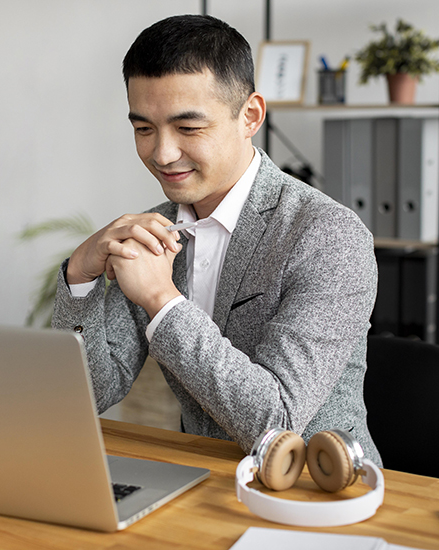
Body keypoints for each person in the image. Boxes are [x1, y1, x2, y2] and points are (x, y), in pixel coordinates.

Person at [52, 14, 381, 464]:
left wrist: (162, 301)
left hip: (317, 493)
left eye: (188, 128)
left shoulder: (329, 236)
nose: (162, 154)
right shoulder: (155, 230)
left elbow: (277, 423)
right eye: (143, 129)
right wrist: (80, 277)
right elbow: (92, 393)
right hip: (198, 480)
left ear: (250, 116)